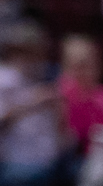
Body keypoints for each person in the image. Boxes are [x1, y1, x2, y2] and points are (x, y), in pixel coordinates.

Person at [0, 22, 65, 186]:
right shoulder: (4, 79)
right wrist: (33, 102)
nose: (38, 57)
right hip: (17, 165)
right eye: (31, 51)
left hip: (48, 163)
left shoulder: (43, 76)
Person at [55, 36, 103, 155]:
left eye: (87, 66)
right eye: (75, 67)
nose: (81, 72)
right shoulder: (59, 92)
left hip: (93, 155)